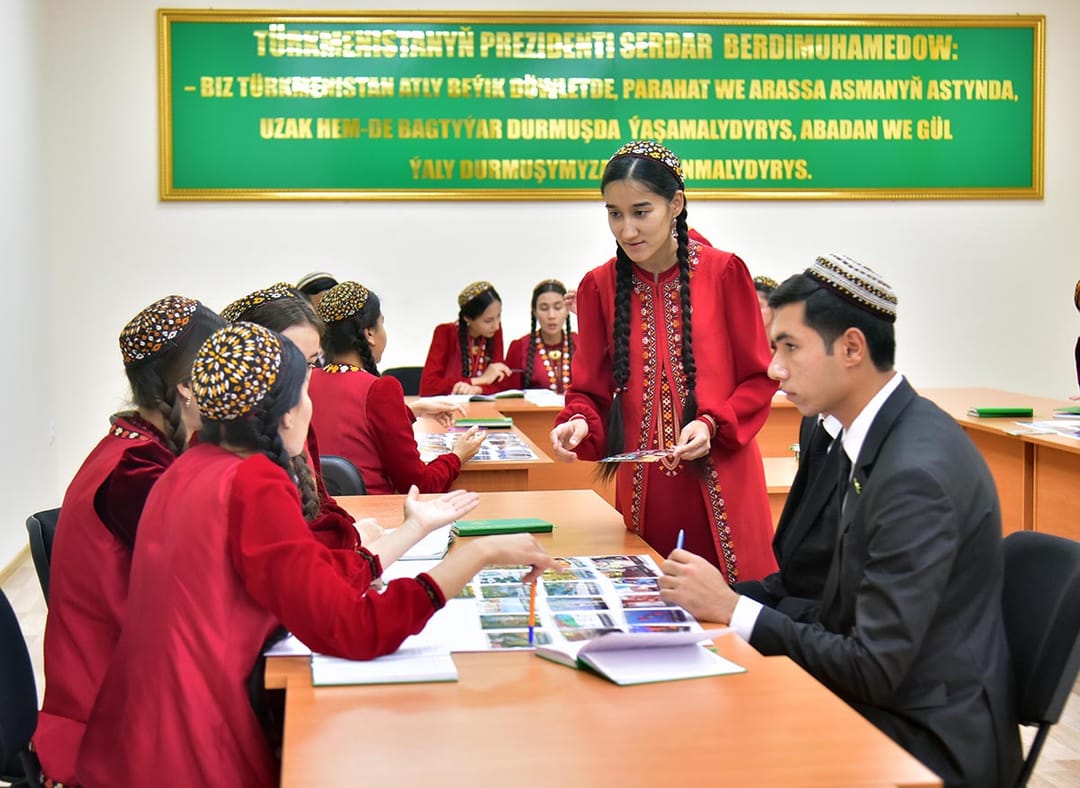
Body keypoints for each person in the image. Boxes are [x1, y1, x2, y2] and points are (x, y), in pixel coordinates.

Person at [77, 322, 559, 786]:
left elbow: (304, 576)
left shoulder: (194, 464)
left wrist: (405, 536)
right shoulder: (253, 483)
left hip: (142, 733)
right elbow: (354, 628)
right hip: (195, 745)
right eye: (307, 392)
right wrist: (474, 557)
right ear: (287, 415)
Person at [658, 254, 1022, 787]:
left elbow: (874, 667)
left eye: (789, 347)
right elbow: (833, 610)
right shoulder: (874, 434)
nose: (774, 369)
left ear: (852, 348)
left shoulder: (914, 473)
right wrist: (706, 599)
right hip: (887, 703)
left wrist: (732, 608)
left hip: (927, 740)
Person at [549, 140, 777, 583]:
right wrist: (577, 422)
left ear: (676, 205)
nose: (627, 229)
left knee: (733, 610)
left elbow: (759, 377)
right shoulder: (599, 287)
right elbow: (590, 391)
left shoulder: (724, 273)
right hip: (645, 495)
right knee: (647, 602)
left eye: (641, 211)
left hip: (723, 482)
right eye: (614, 214)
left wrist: (712, 423)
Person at [34, 295, 223, 785]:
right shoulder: (136, 474)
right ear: (188, 387)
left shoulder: (130, 447)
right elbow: (211, 590)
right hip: (114, 721)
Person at [310, 280, 485, 493]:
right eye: (381, 323)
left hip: (320, 509)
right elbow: (419, 484)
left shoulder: (308, 380)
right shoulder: (380, 388)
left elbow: (353, 427)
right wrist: (457, 455)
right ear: (369, 333)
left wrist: (411, 411)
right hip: (375, 510)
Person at [732, 413, 843, 622]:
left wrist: (735, 608)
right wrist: (724, 597)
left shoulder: (891, 454)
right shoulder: (814, 422)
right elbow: (799, 577)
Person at [420, 280, 511, 395]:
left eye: (499, 316)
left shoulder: (493, 332)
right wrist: (481, 380)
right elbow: (428, 387)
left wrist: (477, 390)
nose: (496, 326)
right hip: (448, 405)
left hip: (482, 404)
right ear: (467, 318)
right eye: (488, 321)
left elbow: (500, 383)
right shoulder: (445, 333)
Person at [505, 279, 575, 393]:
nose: (551, 315)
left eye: (558, 307)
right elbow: (510, 396)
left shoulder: (581, 344)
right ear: (535, 312)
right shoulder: (519, 348)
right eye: (544, 308)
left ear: (567, 309)